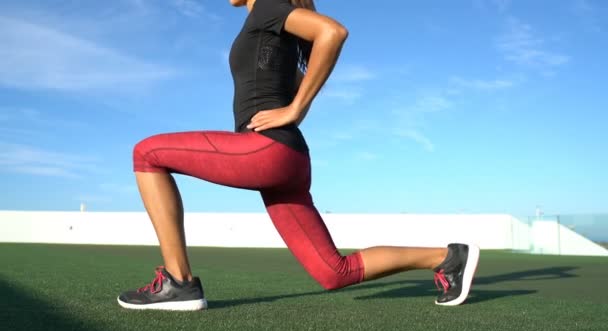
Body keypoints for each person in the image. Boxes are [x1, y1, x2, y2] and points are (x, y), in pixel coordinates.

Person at [117, 0, 479, 311]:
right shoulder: (274, 23)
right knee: (334, 272)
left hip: (267, 150)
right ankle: (448, 258)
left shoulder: (269, 8)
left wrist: (295, 110)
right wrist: (289, 108)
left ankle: (179, 282)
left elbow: (332, 33)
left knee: (147, 153)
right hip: (288, 160)